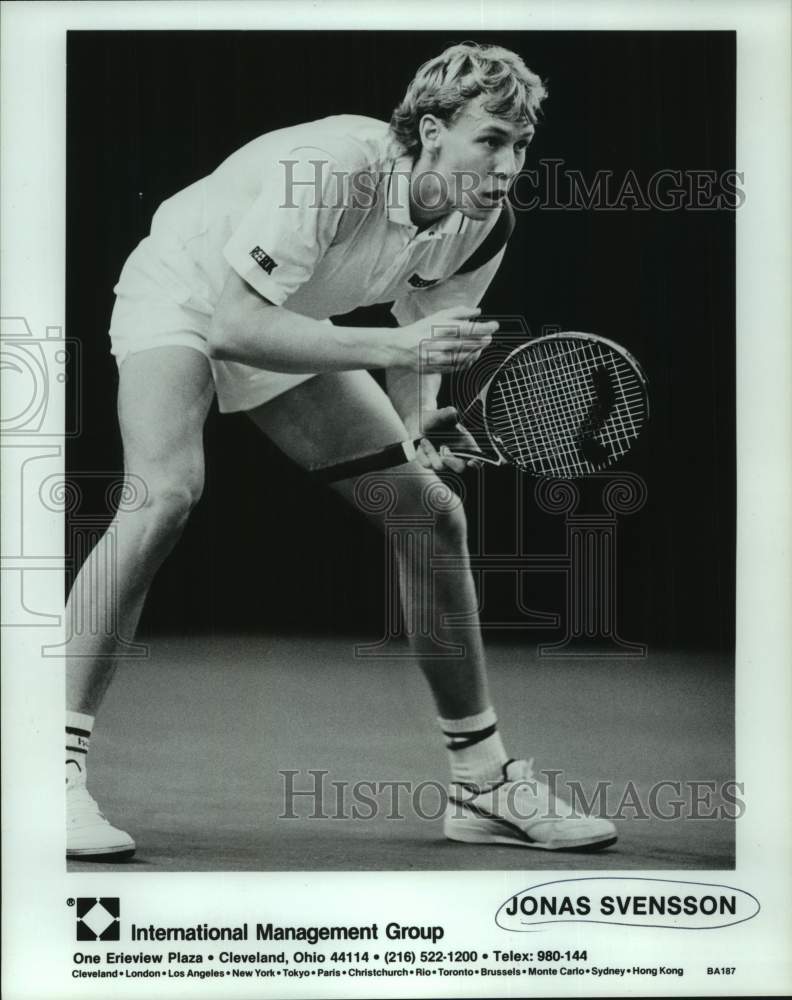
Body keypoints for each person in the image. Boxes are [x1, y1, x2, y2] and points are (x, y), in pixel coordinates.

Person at [65, 41, 617, 859]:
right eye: (490, 139)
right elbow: (236, 325)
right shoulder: (331, 169)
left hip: (295, 322)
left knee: (430, 514)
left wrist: (422, 419)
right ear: (432, 130)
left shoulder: (484, 224)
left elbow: (421, 341)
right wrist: (397, 360)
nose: (508, 164)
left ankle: (482, 783)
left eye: (522, 145)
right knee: (166, 493)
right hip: (190, 297)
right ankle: (50, 768)